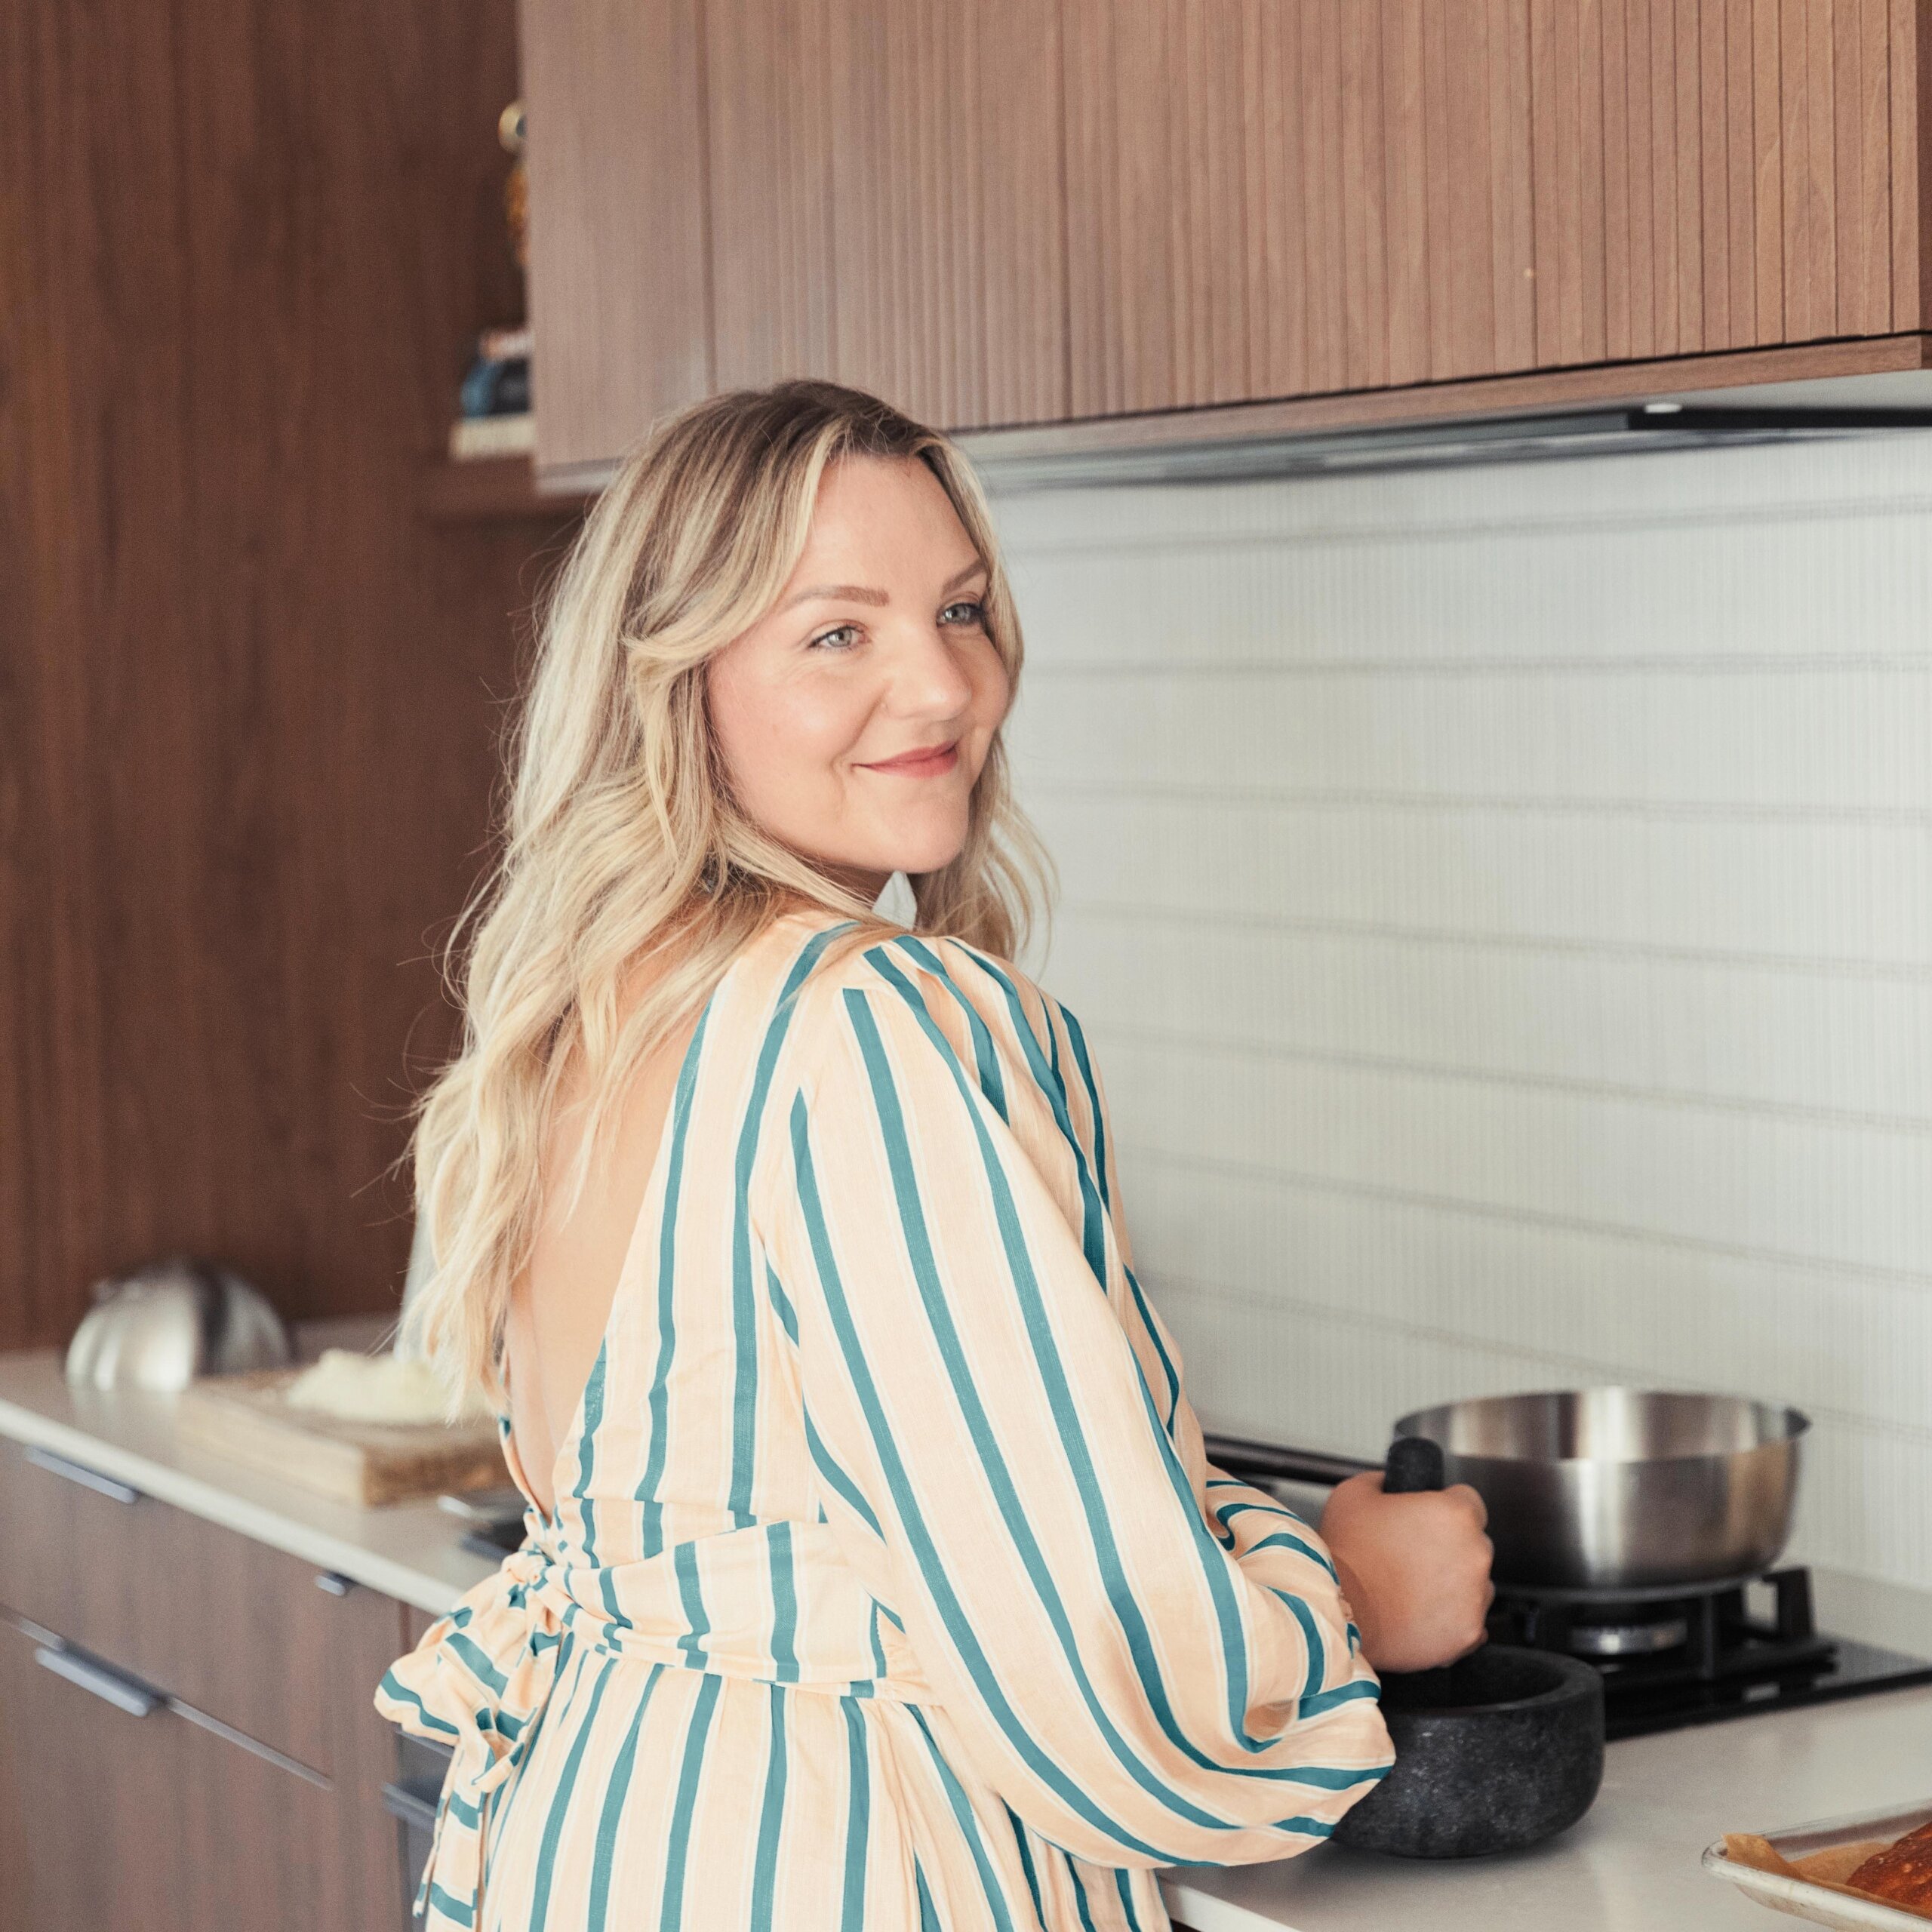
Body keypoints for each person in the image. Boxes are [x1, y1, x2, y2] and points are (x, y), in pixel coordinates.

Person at [377, 380, 1494, 1932]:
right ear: (673, 680)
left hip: (603, 1837)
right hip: (845, 1864)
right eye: (838, 631)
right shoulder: (870, 1023)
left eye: (959, 608)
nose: (941, 685)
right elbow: (1100, 1679)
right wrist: (1357, 1598)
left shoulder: (594, 1014)